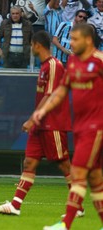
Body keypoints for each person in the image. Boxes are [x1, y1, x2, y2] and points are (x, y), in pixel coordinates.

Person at [0, 30, 85, 217]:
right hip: (41, 125)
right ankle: (15, 205)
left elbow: (50, 96)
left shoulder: (53, 65)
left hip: (53, 123)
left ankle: (78, 207)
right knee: (29, 162)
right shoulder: (44, 67)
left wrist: (31, 118)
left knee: (65, 165)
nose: (30, 48)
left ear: (37, 45)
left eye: (31, 44)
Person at [31, 24, 103, 230]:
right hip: (80, 127)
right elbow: (61, 91)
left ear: (88, 40)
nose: (69, 43)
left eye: (74, 39)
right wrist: (41, 112)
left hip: (96, 127)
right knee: (96, 178)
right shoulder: (72, 63)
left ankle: (66, 225)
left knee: (78, 172)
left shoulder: (99, 61)